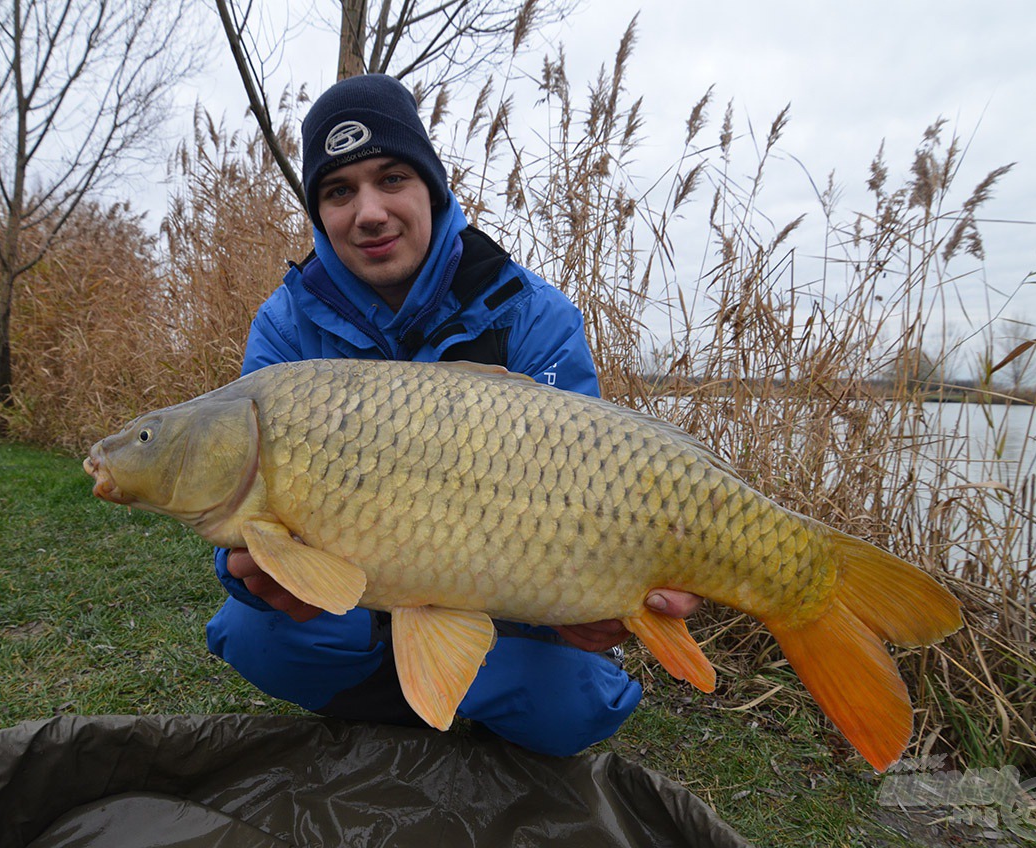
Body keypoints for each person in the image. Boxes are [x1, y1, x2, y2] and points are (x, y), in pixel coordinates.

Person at [205, 73, 701, 757]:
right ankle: (421, 696)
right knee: (251, 633)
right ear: (319, 213)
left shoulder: (532, 314)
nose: (369, 211)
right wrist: (252, 576)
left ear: (432, 189)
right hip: (352, 606)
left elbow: (590, 498)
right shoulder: (286, 328)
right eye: (338, 191)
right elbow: (243, 518)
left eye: (392, 178)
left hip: (504, 606)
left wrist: (591, 609)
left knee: (576, 707)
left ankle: (443, 688)